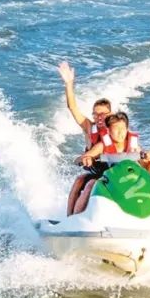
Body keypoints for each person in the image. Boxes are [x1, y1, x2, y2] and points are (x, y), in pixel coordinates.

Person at [71, 112, 150, 213]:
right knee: (88, 183)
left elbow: (146, 169)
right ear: (108, 130)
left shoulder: (135, 147)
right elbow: (77, 160)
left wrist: (149, 159)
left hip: (128, 180)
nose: (120, 133)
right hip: (107, 180)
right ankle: (74, 216)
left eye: (123, 129)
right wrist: (86, 159)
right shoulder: (101, 146)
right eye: (116, 129)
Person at [58, 61, 114, 214]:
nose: (99, 117)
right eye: (95, 114)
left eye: (103, 114)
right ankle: (71, 218)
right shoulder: (89, 128)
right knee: (80, 180)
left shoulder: (116, 129)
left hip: (114, 175)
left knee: (90, 184)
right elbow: (72, 108)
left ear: (110, 114)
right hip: (97, 173)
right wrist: (69, 83)